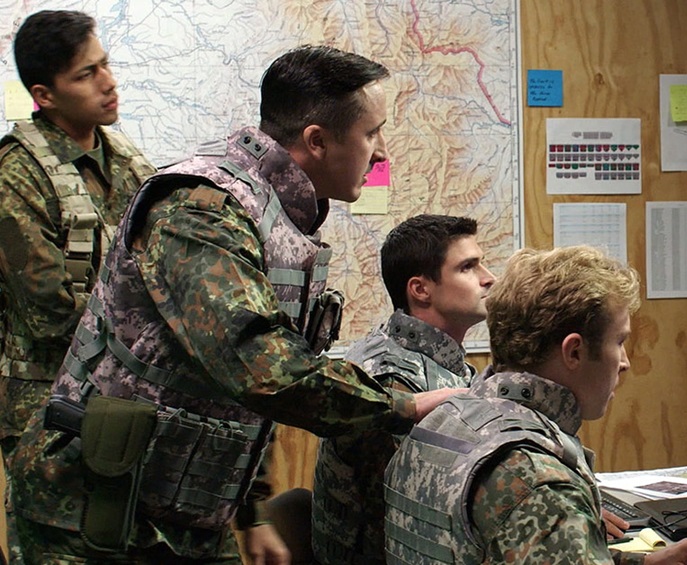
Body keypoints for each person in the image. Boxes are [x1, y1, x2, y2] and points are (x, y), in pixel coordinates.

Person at [10, 45, 461, 564]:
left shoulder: (280, 217)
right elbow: (258, 366)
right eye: (371, 133)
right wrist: (398, 407)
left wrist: (252, 512)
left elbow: (239, 395)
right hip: (91, 508)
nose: (381, 153)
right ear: (317, 141)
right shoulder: (202, 208)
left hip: (184, 508)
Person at [384, 245, 687, 565]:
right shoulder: (538, 483)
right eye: (619, 341)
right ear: (574, 352)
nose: (624, 362)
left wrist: (642, 560)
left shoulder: (445, 420)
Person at [0, 10, 157, 563]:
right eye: (86, 74)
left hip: (128, 405)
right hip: (51, 416)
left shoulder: (129, 164)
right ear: (44, 94)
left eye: (105, 65)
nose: (108, 82)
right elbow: (51, 313)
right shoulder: (16, 174)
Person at [311, 214, 495, 564]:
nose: (489, 278)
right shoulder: (389, 378)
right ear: (420, 290)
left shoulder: (440, 360)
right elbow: (413, 510)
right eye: (468, 267)